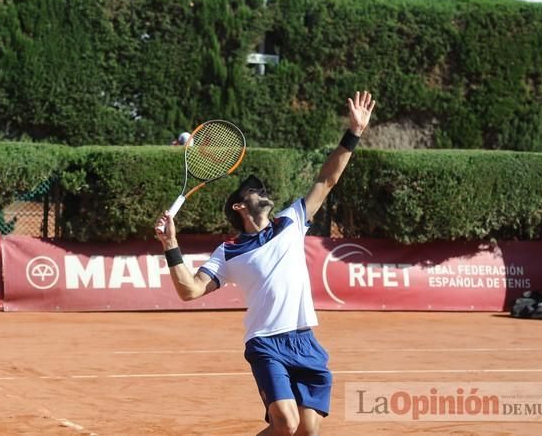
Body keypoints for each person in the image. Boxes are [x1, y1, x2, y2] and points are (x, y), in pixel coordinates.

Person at [154, 91, 376, 435]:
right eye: (255, 190)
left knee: (307, 431)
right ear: (240, 207)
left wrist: (354, 133)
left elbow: (327, 180)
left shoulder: (290, 222)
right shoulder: (228, 251)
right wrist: (171, 245)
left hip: (304, 339)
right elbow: (190, 290)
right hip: (265, 343)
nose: (263, 192)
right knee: (284, 424)